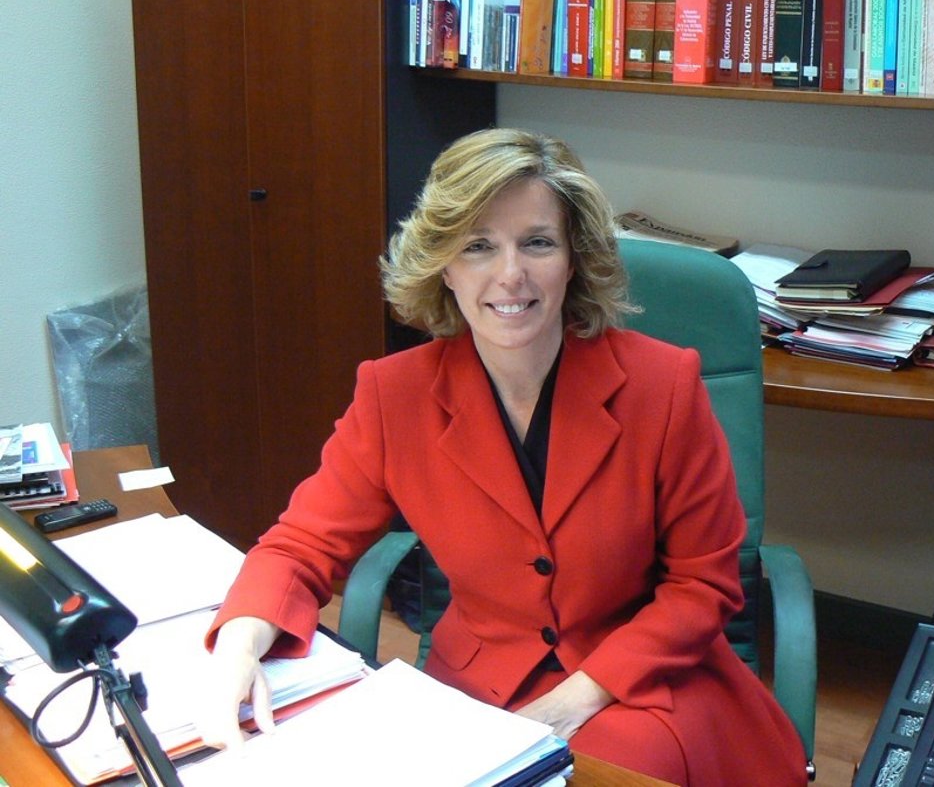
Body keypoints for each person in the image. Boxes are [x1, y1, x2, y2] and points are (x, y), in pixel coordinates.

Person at [199, 128, 808, 784]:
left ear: (573, 259)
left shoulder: (662, 386)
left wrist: (570, 703)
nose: (510, 274)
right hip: (478, 690)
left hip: (640, 682)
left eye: (537, 243)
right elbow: (300, 546)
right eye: (478, 246)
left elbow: (703, 585)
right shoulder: (393, 396)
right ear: (444, 265)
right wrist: (239, 646)